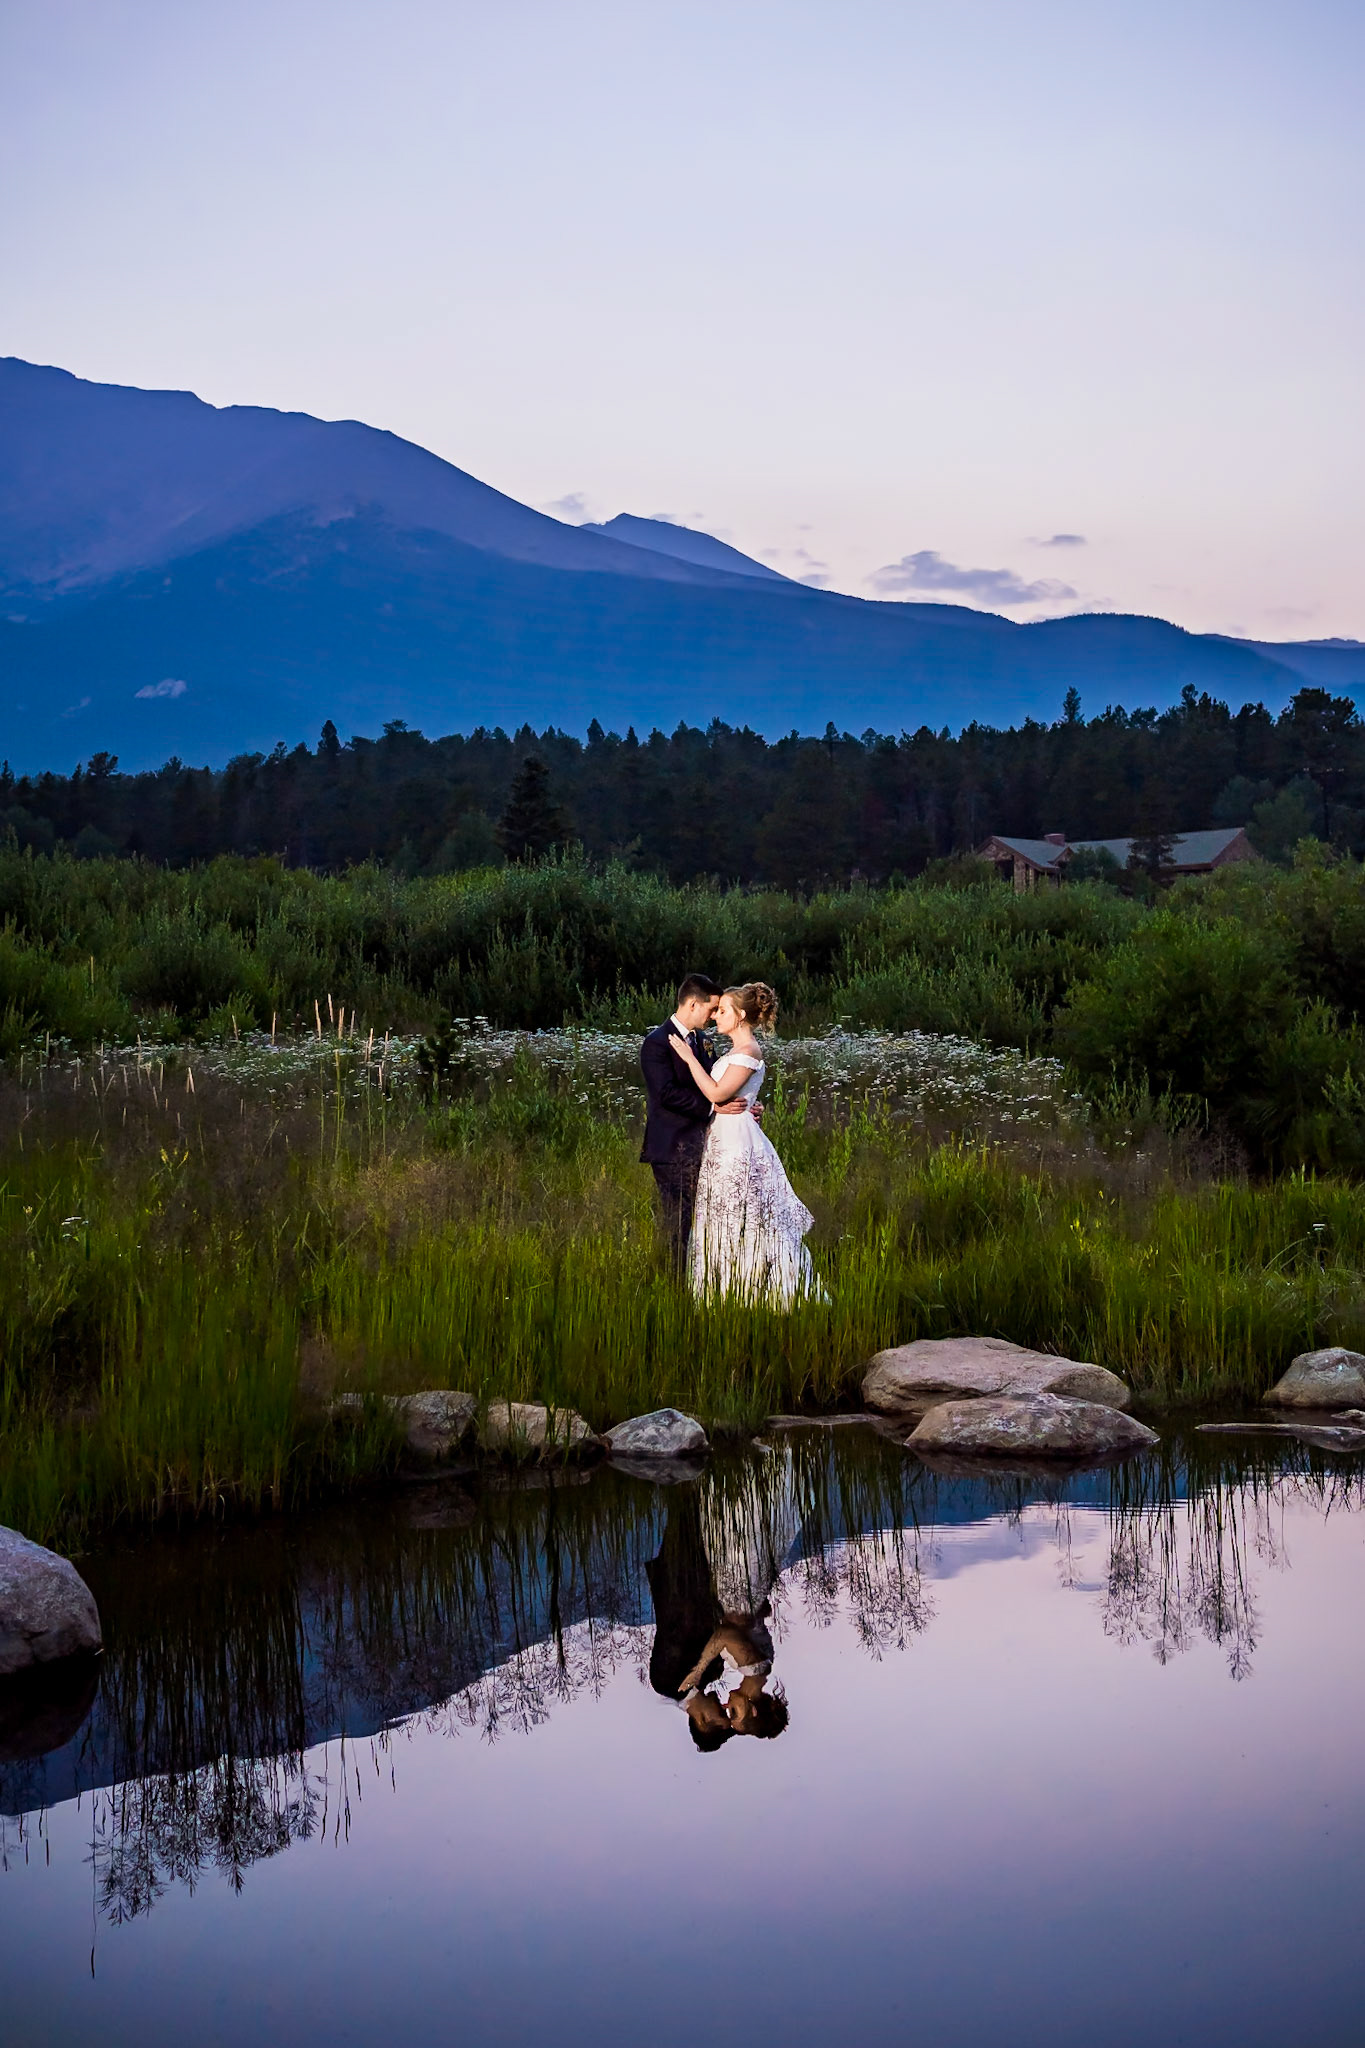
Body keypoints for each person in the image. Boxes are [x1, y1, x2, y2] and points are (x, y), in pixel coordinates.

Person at [666, 982, 821, 1306]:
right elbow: (731, 1094)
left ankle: (756, 1291)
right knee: (724, 1214)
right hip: (725, 1137)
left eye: (722, 1011)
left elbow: (717, 1094)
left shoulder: (749, 1051)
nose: (716, 1016)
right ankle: (726, 1291)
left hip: (737, 1143)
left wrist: (688, 1058)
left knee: (741, 1213)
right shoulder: (735, 1052)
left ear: (739, 1016)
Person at [639, 974, 752, 1272]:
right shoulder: (656, 1043)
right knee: (679, 1222)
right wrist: (716, 1106)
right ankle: (674, 1286)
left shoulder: (703, 1041)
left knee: (703, 1221)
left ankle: (700, 1281)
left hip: (706, 1145)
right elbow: (666, 1094)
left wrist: (745, 1105)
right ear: (692, 1004)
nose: (714, 1016)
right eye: (711, 1009)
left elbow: (717, 1083)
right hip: (671, 1147)